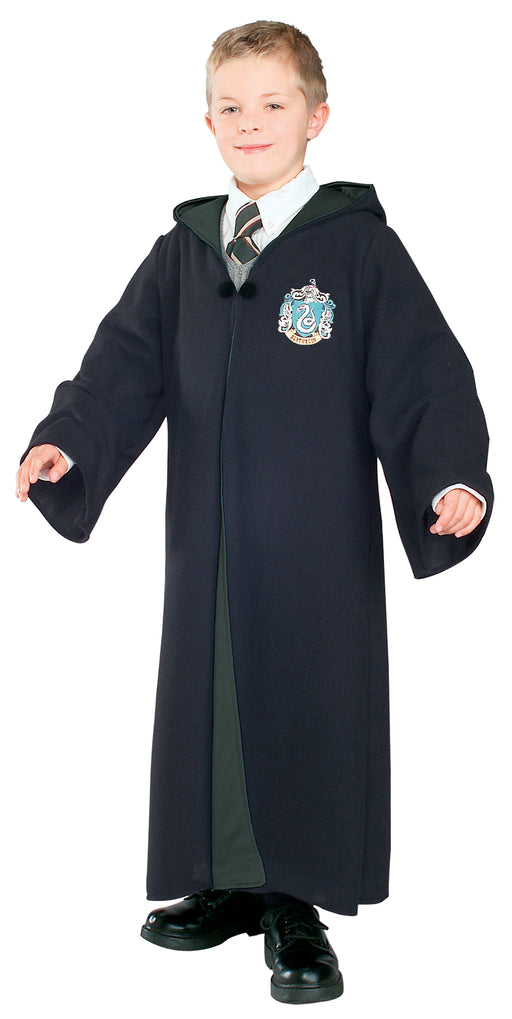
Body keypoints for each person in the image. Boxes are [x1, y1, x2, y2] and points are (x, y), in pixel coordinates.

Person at [15, 20, 493, 1006]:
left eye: (273, 103)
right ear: (207, 123)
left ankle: (297, 904)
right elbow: (121, 365)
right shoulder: (184, 253)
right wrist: (71, 439)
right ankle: (228, 878)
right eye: (230, 106)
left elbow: (423, 376)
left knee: (307, 696)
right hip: (208, 539)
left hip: (314, 540)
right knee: (215, 700)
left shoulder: (356, 249)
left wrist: (448, 476)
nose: (250, 121)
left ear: (317, 118)